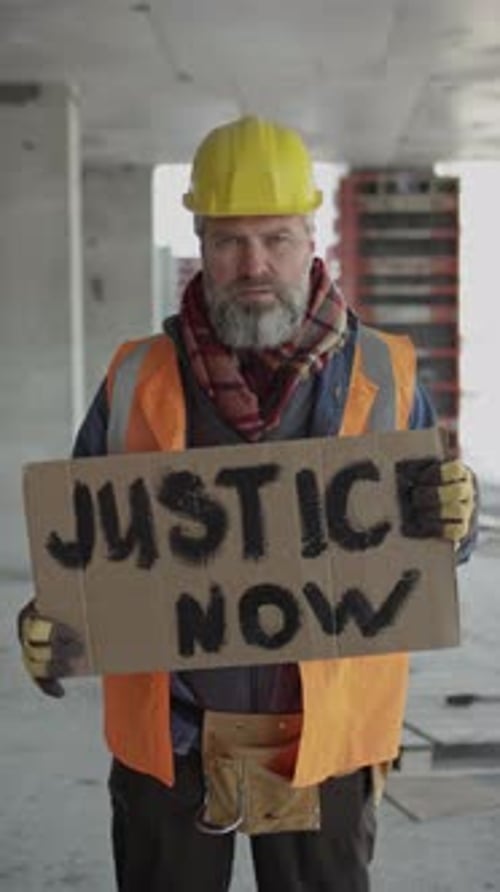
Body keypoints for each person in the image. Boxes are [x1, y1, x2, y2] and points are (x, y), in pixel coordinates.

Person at [18, 115, 478, 892]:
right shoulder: (135, 376)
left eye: (276, 238)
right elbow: (87, 548)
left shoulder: (385, 370)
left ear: (310, 239)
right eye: (230, 240)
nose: (253, 263)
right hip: (172, 744)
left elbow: (429, 549)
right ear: (201, 242)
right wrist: (52, 620)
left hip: (324, 742)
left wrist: (455, 522)